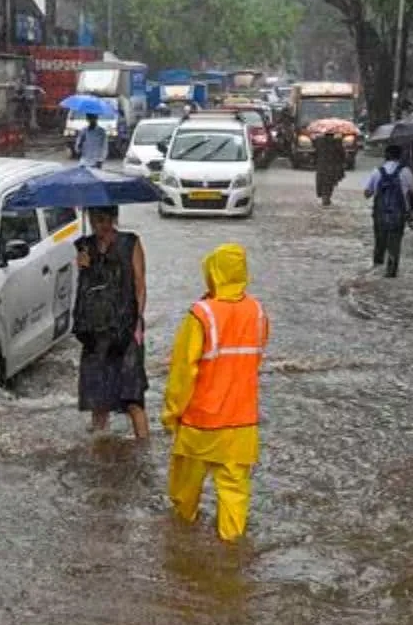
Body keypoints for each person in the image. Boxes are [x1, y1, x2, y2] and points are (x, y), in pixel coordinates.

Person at [163, 244, 269, 543]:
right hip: (242, 422)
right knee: (235, 495)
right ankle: (231, 556)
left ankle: (182, 548)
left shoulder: (201, 314)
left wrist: (172, 414)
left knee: (185, 495)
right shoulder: (258, 312)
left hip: (201, 422)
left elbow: (183, 371)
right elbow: (254, 359)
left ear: (212, 272)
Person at [74, 206, 148, 439]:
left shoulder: (130, 242)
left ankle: (142, 448)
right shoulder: (85, 246)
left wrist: (137, 322)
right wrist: (83, 265)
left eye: (104, 220)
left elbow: (140, 284)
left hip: (125, 330)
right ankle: (100, 446)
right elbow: (86, 291)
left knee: (133, 396)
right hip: (95, 332)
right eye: (94, 219)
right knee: (98, 399)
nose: (99, 225)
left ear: (113, 219)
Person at [364, 145, 413, 278]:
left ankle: (376, 268)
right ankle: (391, 271)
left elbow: (367, 194)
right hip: (398, 215)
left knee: (379, 241)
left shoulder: (377, 172)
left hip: (380, 215)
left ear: (386, 156)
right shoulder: (406, 172)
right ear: (400, 157)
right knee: (394, 244)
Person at [312, 132, 347, 206]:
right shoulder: (337, 142)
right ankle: (326, 197)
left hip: (322, 165)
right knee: (330, 182)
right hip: (332, 165)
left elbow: (315, 153)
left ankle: (324, 197)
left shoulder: (319, 141)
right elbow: (342, 154)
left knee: (323, 181)